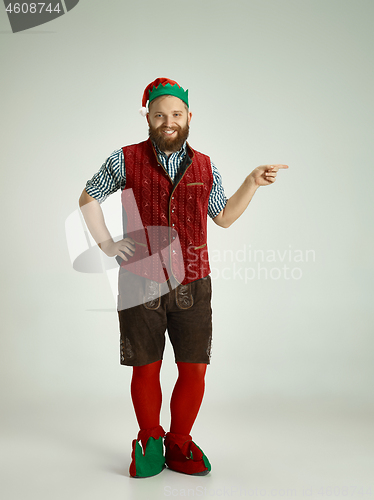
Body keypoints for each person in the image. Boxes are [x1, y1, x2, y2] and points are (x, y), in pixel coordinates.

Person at [79, 77, 288, 478]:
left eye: (176, 114)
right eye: (160, 115)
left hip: (194, 282)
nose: (168, 121)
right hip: (140, 282)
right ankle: (150, 439)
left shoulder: (206, 165)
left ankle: (179, 440)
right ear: (149, 118)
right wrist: (107, 244)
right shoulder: (125, 159)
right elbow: (88, 198)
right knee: (147, 367)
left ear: (189, 117)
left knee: (194, 368)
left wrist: (251, 183)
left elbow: (223, 217)